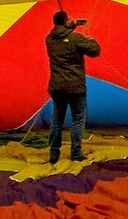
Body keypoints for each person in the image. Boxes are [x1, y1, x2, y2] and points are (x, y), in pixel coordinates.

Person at [42, 8, 100, 165]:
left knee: (57, 119)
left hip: (57, 86)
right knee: (78, 119)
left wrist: (72, 25)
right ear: (65, 21)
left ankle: (54, 154)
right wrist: (90, 38)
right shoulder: (76, 39)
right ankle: (76, 153)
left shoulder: (49, 39)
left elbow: (61, 36)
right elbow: (95, 51)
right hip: (75, 87)